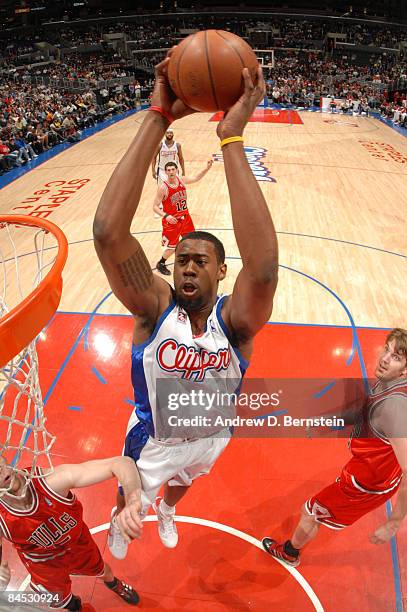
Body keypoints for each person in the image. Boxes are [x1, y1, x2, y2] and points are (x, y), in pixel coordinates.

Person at [93, 53, 278, 558]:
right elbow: (109, 233)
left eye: (201, 260)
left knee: (189, 479)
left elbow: (261, 271)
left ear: (221, 271)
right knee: (129, 499)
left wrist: (232, 137)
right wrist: (159, 116)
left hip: (214, 430)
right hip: (153, 440)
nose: (188, 266)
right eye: (181, 261)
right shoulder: (155, 309)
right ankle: (123, 518)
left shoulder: (236, 324)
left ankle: (169, 507)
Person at [262, 328, 407, 567]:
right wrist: (326, 423)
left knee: (309, 511)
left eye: (396, 357)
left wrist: (393, 523)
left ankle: (289, 552)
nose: (384, 358)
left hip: (365, 486)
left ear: (404, 369)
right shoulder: (390, 383)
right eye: (386, 350)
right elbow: (364, 409)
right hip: (376, 471)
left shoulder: (393, 410)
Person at [0, 455, 142, 610]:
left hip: (77, 545)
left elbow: (120, 463)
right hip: (43, 564)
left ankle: (113, 583)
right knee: (61, 600)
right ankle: (75, 607)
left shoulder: (52, 482)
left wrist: (133, 499)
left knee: (102, 570)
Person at [154, 159, 213, 276]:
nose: (171, 172)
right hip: (172, 221)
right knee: (172, 247)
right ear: (165, 172)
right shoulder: (163, 188)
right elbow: (155, 207)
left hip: (185, 218)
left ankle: (191, 261)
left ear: (177, 170)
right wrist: (166, 216)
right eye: (168, 170)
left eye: (173, 169)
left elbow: (196, 178)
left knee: (192, 240)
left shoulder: (182, 180)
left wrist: (207, 168)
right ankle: (161, 263)